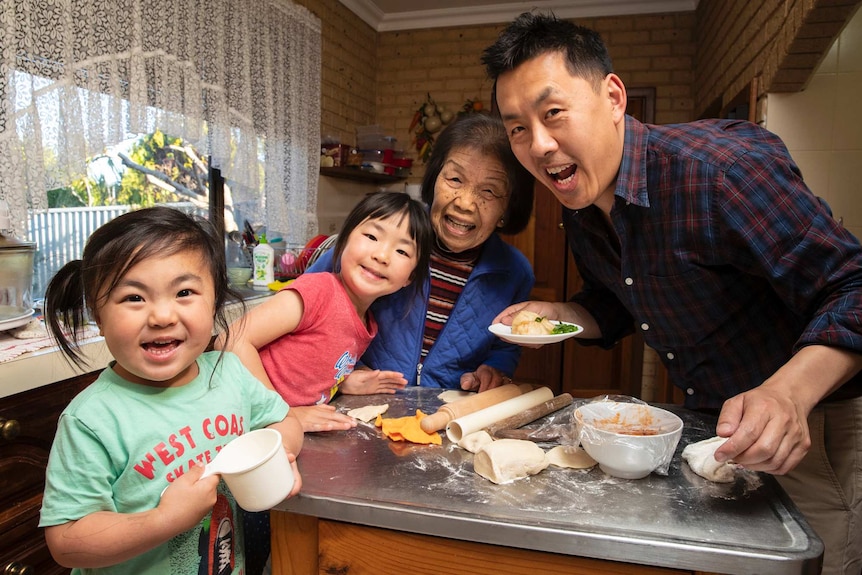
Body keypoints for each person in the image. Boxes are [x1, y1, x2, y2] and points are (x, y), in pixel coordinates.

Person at [483, 11, 862, 574]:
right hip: (710, 425)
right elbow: (616, 301)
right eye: (517, 128)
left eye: (553, 113)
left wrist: (787, 394)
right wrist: (557, 315)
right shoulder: (583, 210)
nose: (538, 145)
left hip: (810, 426)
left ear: (613, 97)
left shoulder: (720, 171)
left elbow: (852, 286)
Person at [38, 206, 304, 575]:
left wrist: (279, 454)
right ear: (98, 316)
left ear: (214, 302)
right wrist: (165, 520)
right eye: (134, 297)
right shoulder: (91, 419)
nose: (162, 316)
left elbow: (284, 420)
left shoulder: (229, 374)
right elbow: (66, 542)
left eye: (184, 292)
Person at [307, 113, 536, 400]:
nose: (465, 203)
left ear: (508, 208)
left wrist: (493, 368)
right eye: (454, 179)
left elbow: (506, 344)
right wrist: (343, 372)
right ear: (434, 179)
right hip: (362, 403)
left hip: (445, 413)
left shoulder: (514, 272)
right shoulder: (381, 238)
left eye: (489, 191)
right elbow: (307, 306)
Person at [216, 191, 434, 433]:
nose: (381, 256)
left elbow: (309, 364)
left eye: (402, 251)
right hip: (233, 420)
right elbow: (231, 340)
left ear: (409, 278)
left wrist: (343, 383)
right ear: (344, 242)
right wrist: (282, 413)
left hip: (275, 433)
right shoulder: (319, 290)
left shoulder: (367, 323)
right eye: (372, 236)